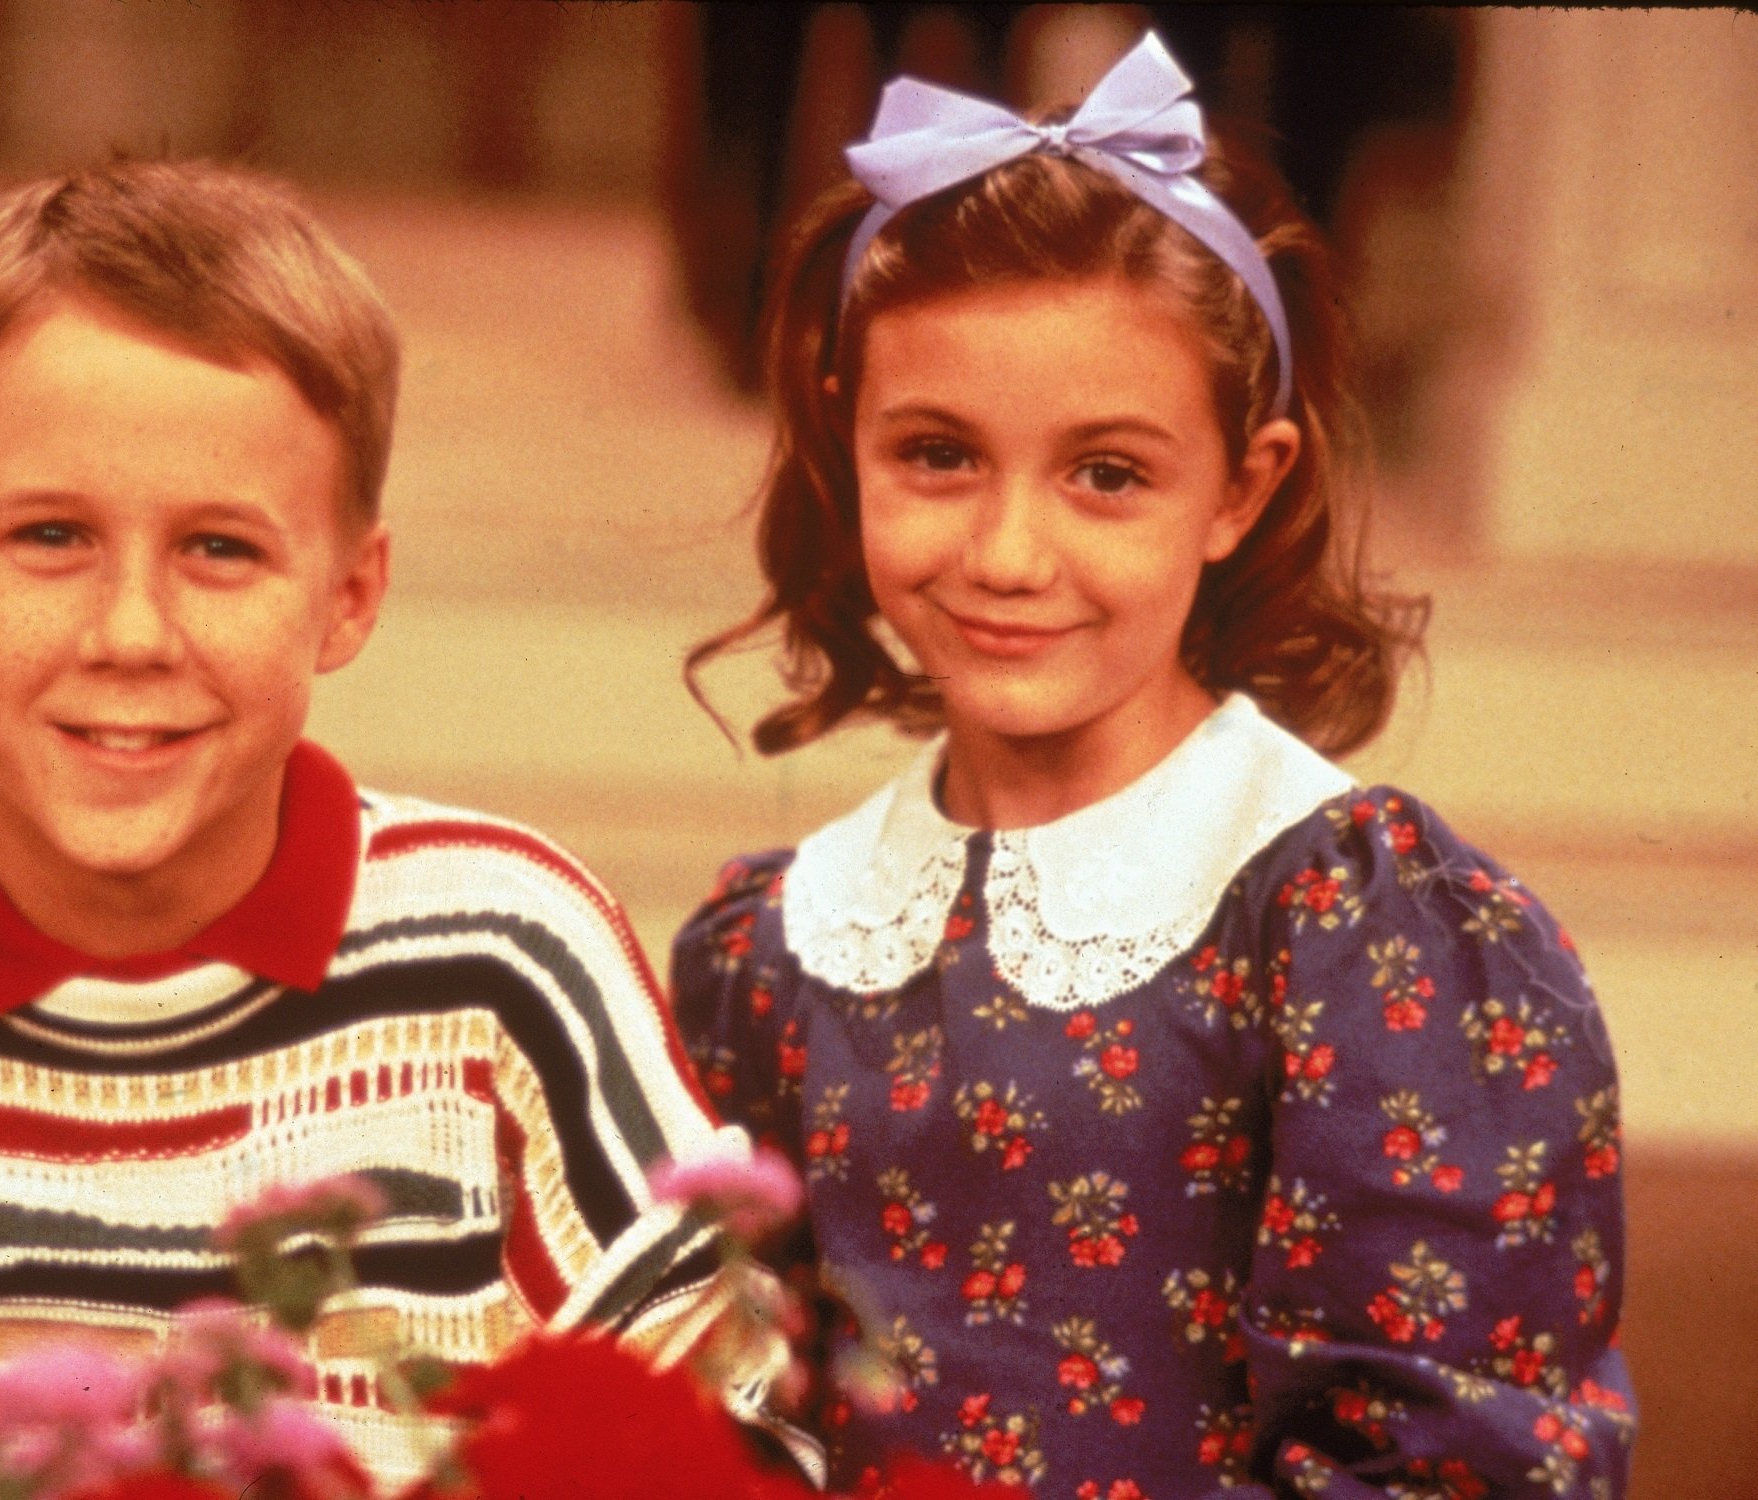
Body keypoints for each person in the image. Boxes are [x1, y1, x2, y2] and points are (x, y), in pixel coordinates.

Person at [0, 160, 798, 1498]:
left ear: (349, 594)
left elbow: (725, 1438)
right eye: (49, 536)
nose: (132, 634)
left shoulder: (507, 958)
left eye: (220, 550)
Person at [672, 35, 1633, 1498]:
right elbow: (732, 1403)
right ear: (841, 440)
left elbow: (1443, 1454)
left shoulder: (1355, 932)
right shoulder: (776, 947)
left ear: (1241, 488)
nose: (1007, 554)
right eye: (936, 454)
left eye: (1106, 474)